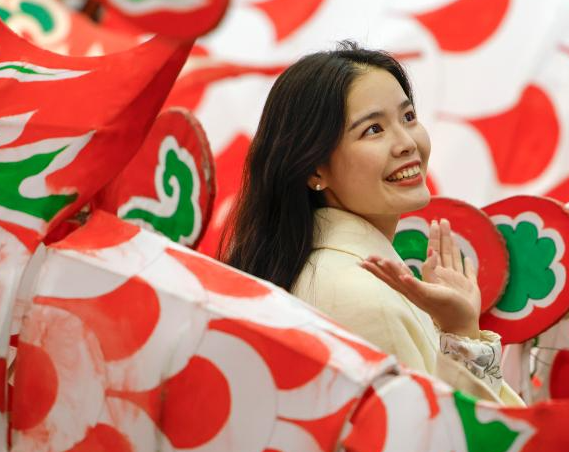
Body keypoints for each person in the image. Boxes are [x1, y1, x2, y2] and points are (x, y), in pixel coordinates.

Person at [223, 41, 522, 405]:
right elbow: (440, 438)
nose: (406, 143)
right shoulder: (364, 298)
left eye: (408, 117)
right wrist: (461, 333)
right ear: (315, 170)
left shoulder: (323, 272)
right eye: (373, 130)